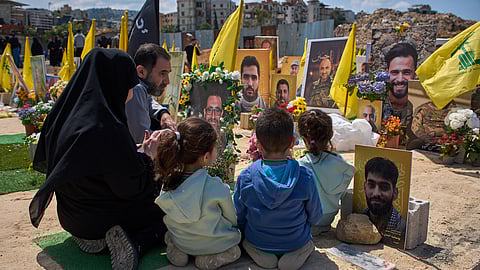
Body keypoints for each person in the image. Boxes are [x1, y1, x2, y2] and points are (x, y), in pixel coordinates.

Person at [29, 48, 168, 270]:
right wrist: (150, 157)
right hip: (100, 220)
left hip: (70, 216)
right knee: (171, 209)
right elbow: (132, 187)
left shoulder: (64, 115)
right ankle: (138, 243)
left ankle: (97, 239)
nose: (131, 93)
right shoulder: (108, 127)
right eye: (129, 86)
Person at [234, 107, 323, 270]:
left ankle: (261, 252)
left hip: (258, 240)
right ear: (291, 142)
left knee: (249, 240)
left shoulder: (246, 177)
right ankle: (297, 252)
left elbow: (238, 216)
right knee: (306, 241)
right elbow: (316, 216)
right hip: (296, 241)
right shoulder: (305, 176)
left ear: (258, 144)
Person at [154, 117, 241, 269]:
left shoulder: (168, 182)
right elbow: (232, 218)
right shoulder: (216, 187)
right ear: (206, 156)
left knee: (171, 234)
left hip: (182, 240)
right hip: (213, 244)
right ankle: (209, 258)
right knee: (236, 248)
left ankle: (178, 250)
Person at [297, 110, 355, 234]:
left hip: (307, 218)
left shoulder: (300, 165)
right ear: (331, 134)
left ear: (303, 137)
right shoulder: (341, 164)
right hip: (328, 217)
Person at [126, 43, 176, 144]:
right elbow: (143, 140)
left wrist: (163, 114)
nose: (167, 81)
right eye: (162, 74)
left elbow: (149, 101)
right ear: (141, 72)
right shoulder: (136, 89)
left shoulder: (142, 88)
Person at [362, 157, 406, 246]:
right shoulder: (360, 218)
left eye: (384, 187)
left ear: (394, 193)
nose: (376, 193)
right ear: (365, 187)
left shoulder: (403, 228)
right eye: (371, 185)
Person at [382, 43, 416, 137]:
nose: (400, 79)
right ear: (387, 72)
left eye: (406, 72)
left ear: (415, 73)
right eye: (395, 72)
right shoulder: (376, 103)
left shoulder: (421, 110)